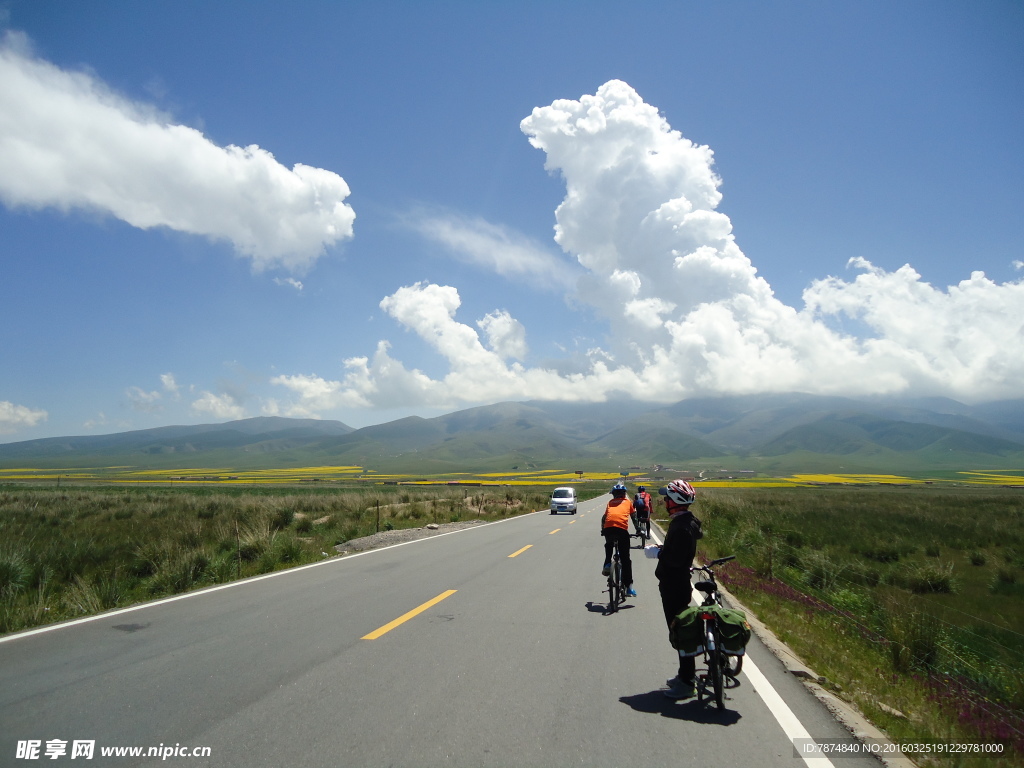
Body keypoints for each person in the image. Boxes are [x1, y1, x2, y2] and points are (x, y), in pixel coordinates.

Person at [655, 479, 703, 699]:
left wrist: (660, 553)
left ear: (674, 501)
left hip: (675, 585)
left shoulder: (681, 527)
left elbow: (674, 560)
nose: (664, 501)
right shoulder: (685, 522)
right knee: (679, 630)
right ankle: (685, 674)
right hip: (677, 583)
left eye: (666, 498)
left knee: (680, 632)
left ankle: (687, 682)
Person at [601, 482, 636, 597]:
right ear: (624, 494)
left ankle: (607, 564)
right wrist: (639, 529)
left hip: (608, 529)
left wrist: (603, 530)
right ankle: (629, 588)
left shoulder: (610, 503)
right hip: (621, 530)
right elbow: (634, 517)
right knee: (626, 560)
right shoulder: (628, 502)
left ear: (614, 495)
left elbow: (604, 518)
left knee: (609, 544)